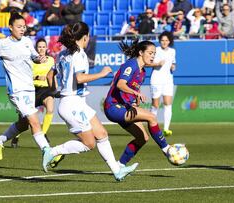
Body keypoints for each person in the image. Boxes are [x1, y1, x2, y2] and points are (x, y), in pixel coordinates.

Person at [41, 22, 138, 181]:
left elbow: (50, 75)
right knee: (89, 144)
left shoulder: (62, 54)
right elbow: (79, 78)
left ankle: (117, 171)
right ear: (85, 37)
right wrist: (102, 73)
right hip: (72, 104)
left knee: (102, 134)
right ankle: (51, 152)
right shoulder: (79, 54)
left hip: (75, 102)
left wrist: (55, 91)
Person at [0, 12, 51, 161]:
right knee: (34, 121)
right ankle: (47, 152)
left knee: (23, 125)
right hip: (16, 90)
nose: (22, 29)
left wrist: (40, 59)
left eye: (24, 26)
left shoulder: (27, 41)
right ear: (10, 27)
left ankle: (0, 140)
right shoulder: (3, 44)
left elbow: (34, 57)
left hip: (29, 88)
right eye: (19, 26)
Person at [103, 39, 173, 167]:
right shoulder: (131, 65)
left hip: (126, 107)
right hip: (114, 107)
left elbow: (135, 88)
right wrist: (135, 94)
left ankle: (120, 165)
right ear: (141, 52)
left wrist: (135, 100)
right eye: (150, 53)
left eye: (154, 54)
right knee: (151, 117)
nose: (152, 56)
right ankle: (166, 148)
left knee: (143, 138)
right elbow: (120, 84)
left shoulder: (142, 72)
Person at [10, 38, 57, 148]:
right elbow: (23, 76)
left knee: (50, 108)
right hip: (31, 89)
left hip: (46, 90)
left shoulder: (51, 60)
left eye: (43, 46)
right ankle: (15, 136)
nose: (41, 49)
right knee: (24, 120)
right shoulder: (32, 61)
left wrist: (55, 87)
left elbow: (52, 74)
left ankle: (43, 134)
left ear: (46, 48)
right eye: (39, 47)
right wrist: (36, 77)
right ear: (36, 49)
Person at [149, 31, 176, 136]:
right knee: (155, 104)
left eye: (166, 40)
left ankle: (166, 129)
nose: (164, 42)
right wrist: (157, 63)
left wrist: (173, 67)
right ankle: (152, 127)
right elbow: (148, 63)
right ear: (160, 41)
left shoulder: (172, 51)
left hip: (168, 80)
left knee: (168, 104)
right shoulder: (155, 50)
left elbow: (173, 63)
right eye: (162, 40)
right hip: (156, 79)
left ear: (169, 41)